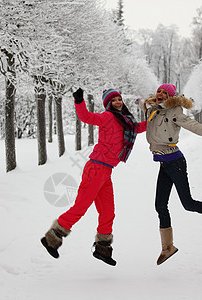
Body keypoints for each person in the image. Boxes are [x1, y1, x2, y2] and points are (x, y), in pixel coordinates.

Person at [41, 88, 147, 266]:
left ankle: (102, 249)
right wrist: (79, 101)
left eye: (119, 99)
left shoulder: (127, 121)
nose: (118, 102)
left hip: (106, 172)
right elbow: (87, 117)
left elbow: (139, 128)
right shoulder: (107, 117)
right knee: (81, 207)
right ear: (108, 104)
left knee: (108, 212)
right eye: (114, 100)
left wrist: (156, 117)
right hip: (96, 169)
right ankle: (52, 238)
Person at [139, 84, 202, 265]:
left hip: (175, 163)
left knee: (188, 203)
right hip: (164, 164)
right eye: (159, 91)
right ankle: (168, 247)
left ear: (170, 97)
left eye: (165, 93)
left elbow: (193, 125)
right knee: (160, 205)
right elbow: (143, 105)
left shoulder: (175, 112)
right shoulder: (153, 109)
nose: (160, 94)